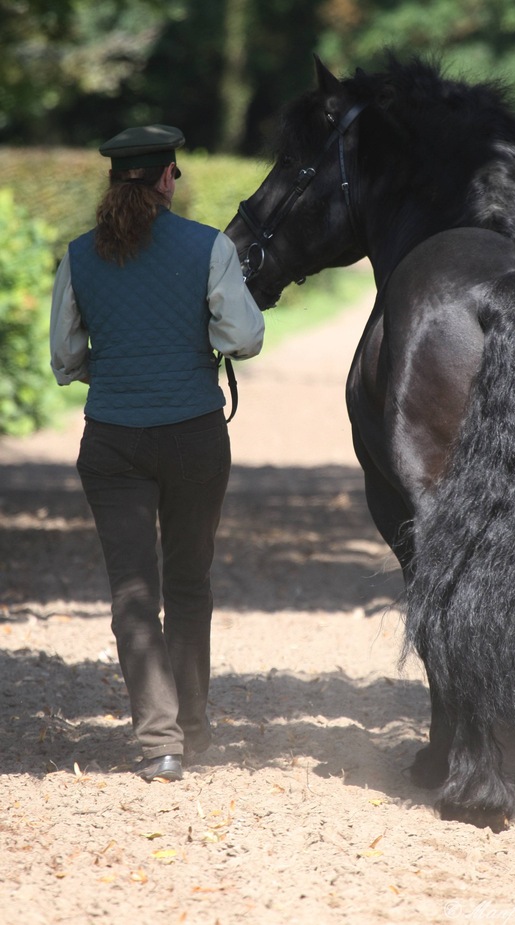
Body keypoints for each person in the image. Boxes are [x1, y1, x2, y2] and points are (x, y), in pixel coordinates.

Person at [50, 124, 264, 782]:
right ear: (168, 178)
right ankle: (193, 728)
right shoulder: (209, 247)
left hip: (111, 439)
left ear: (115, 180)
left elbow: (64, 358)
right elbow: (244, 337)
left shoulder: (81, 255)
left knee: (133, 594)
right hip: (195, 435)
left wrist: (115, 367)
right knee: (189, 583)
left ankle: (158, 744)